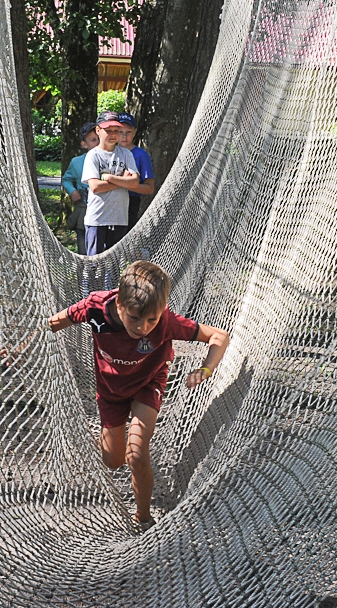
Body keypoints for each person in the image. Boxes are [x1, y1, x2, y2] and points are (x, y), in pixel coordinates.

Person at [49, 260, 229, 529]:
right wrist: (26, 342)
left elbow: (219, 336)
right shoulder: (95, 308)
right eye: (134, 318)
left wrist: (205, 369)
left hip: (148, 383)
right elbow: (55, 322)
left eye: (151, 320)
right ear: (119, 305)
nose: (143, 327)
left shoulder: (166, 322)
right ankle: (109, 438)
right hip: (110, 390)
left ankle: (143, 518)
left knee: (137, 452)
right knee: (113, 460)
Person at [81, 111, 140, 256]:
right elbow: (95, 187)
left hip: (119, 219)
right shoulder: (93, 155)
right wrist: (122, 180)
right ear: (98, 130)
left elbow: (135, 183)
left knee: (113, 266)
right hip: (97, 220)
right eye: (108, 130)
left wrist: (109, 178)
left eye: (116, 131)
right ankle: (92, 281)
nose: (113, 134)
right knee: (94, 265)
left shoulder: (126, 154)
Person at [61, 122, 98, 255]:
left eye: (99, 138)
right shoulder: (76, 162)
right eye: (93, 140)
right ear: (84, 144)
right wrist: (72, 191)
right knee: (83, 249)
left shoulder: (110, 160)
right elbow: (66, 179)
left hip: (103, 213)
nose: (97, 143)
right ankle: (85, 273)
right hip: (84, 210)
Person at [116, 112, 154, 235]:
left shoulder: (141, 155)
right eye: (120, 132)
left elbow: (149, 188)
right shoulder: (108, 152)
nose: (124, 136)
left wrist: (129, 184)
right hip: (110, 202)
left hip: (131, 202)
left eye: (128, 132)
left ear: (135, 132)